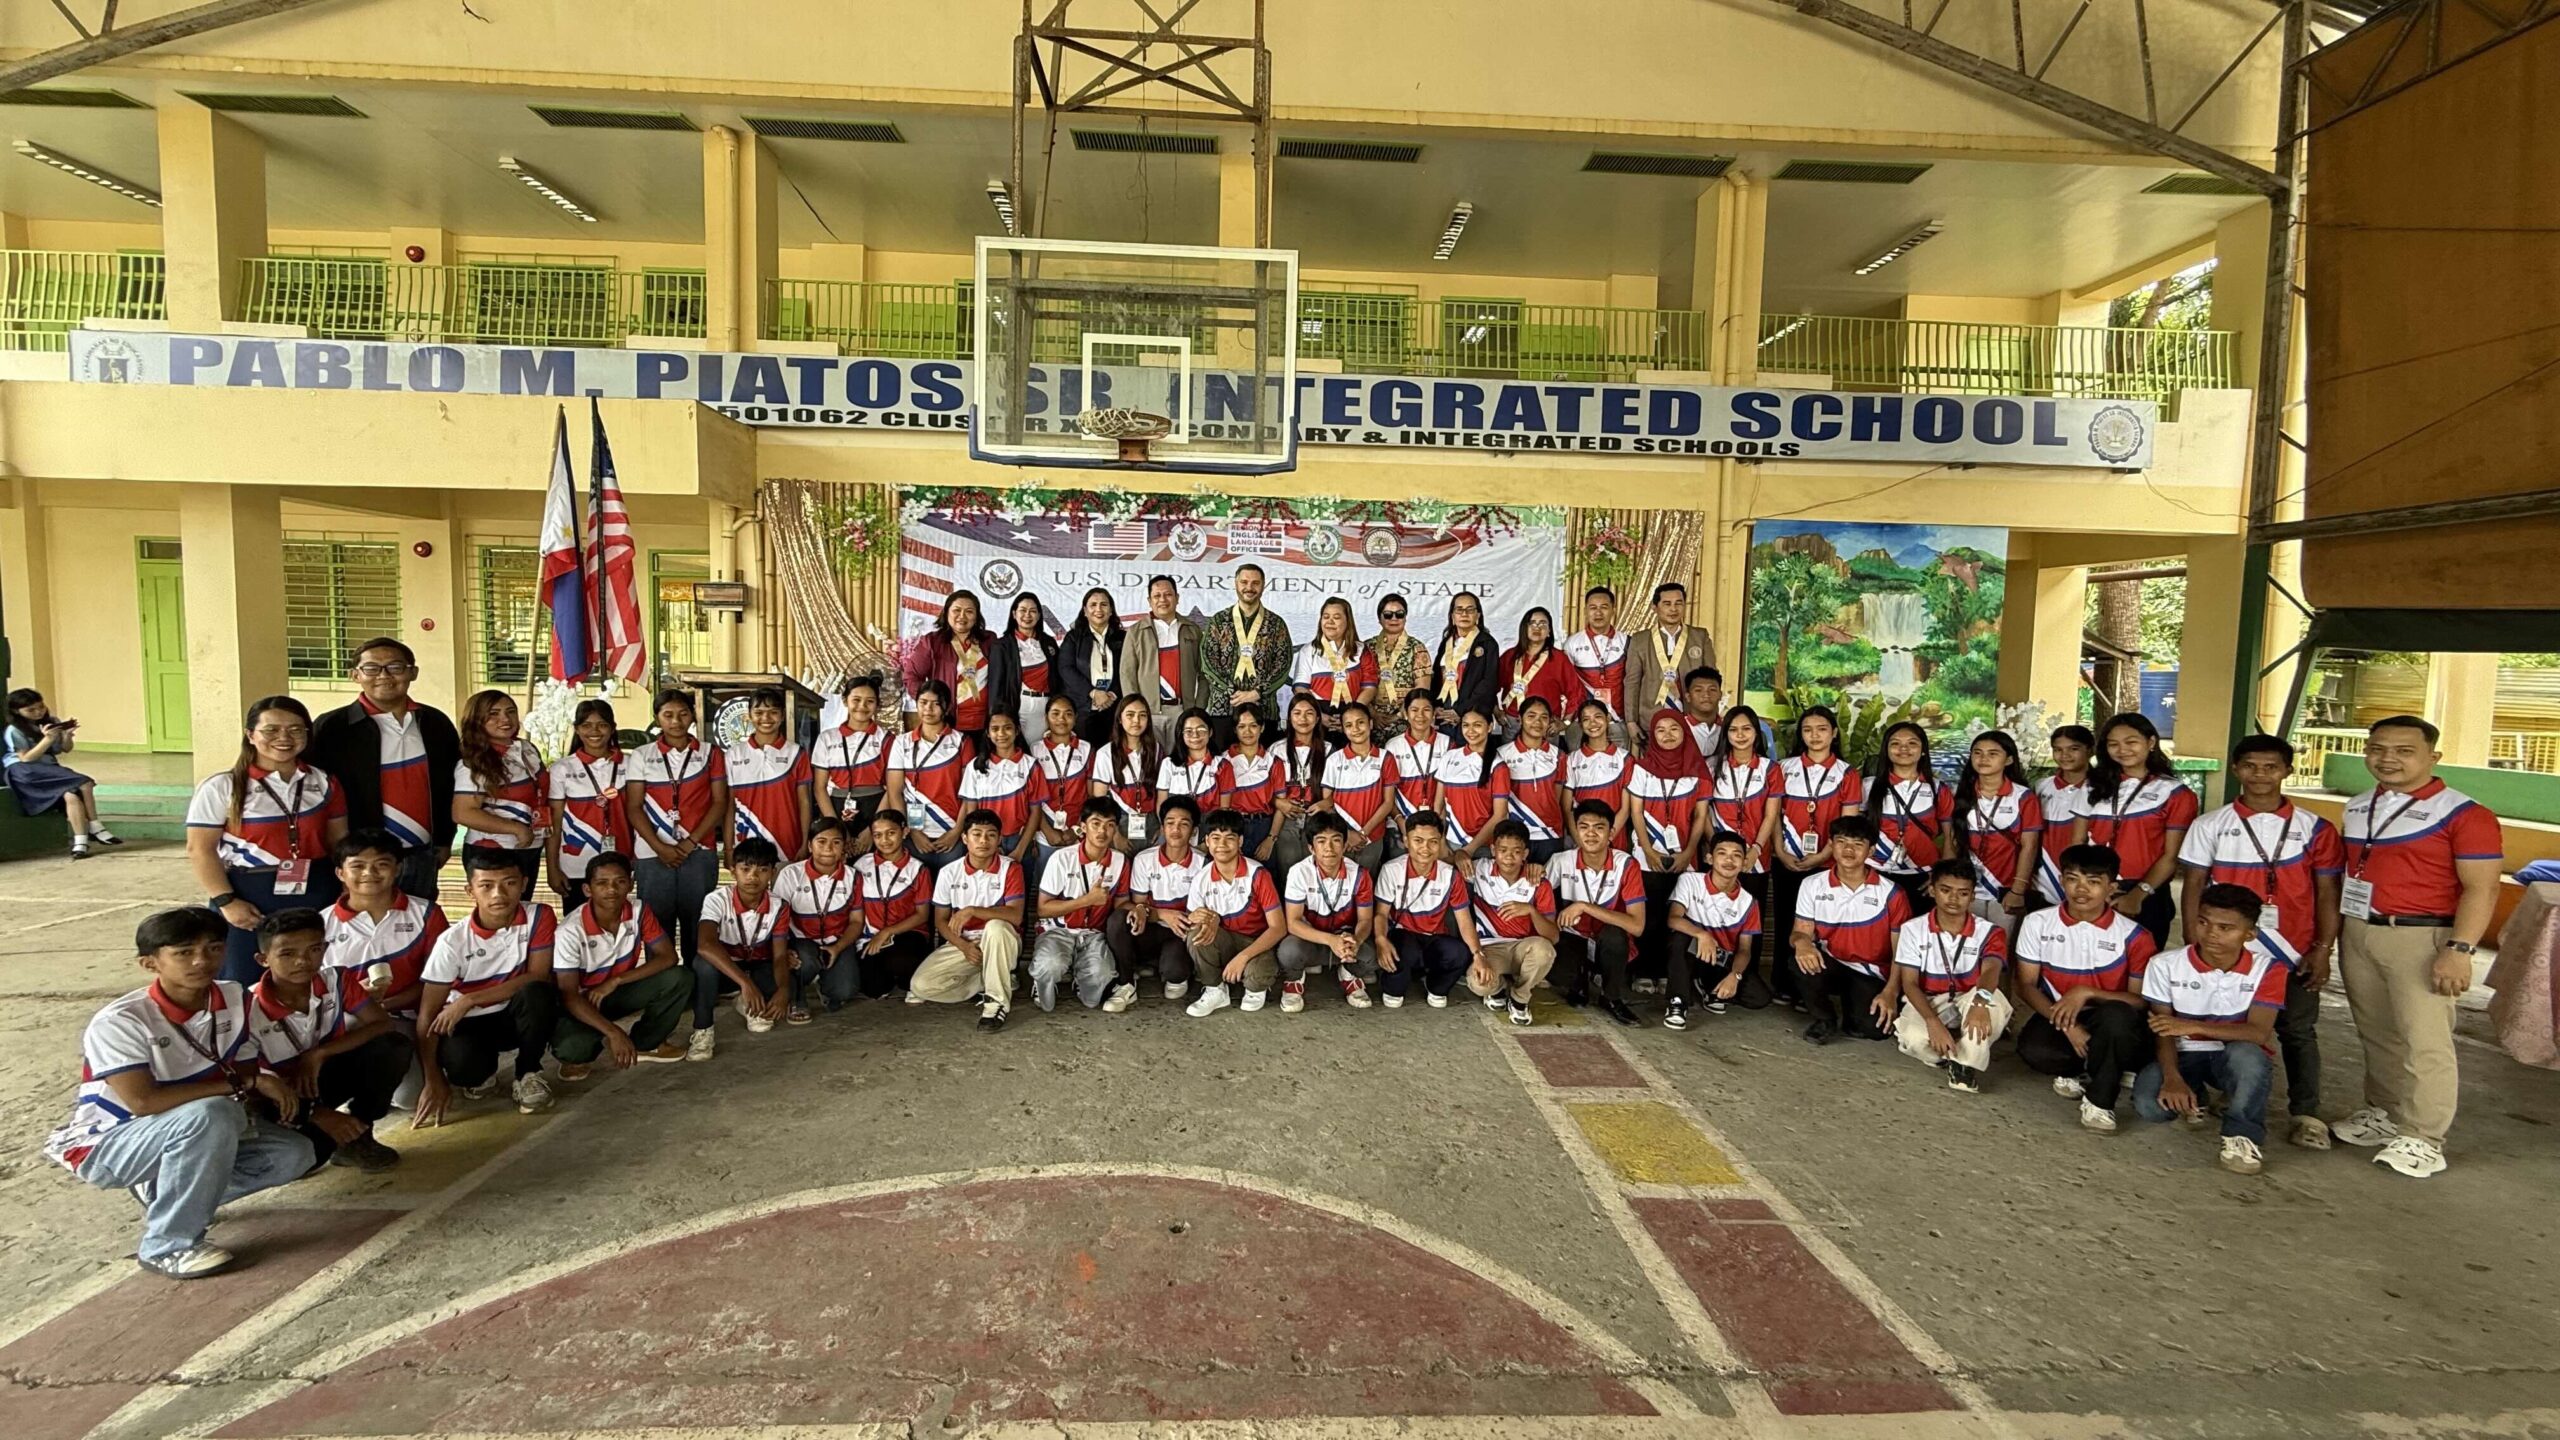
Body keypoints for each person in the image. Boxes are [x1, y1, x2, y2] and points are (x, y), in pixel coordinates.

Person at [45, 908, 316, 1279]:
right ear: (149, 963)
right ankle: (167, 1246)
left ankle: (163, 1191)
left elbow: (248, 1065)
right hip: (110, 1141)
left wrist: (256, 1085)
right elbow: (143, 1102)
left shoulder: (234, 997)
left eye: (213, 948)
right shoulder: (121, 1021)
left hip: (193, 1125)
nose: (201, 961)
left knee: (294, 1155)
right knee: (212, 1113)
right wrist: (246, 1085)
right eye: (184, 952)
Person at [2328, 714, 2503, 1180]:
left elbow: (2482, 889)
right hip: (2360, 929)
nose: (2388, 759)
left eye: (2404, 751)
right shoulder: (2360, 805)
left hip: (2423, 936)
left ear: (2433, 757)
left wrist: (2460, 950)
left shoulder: (2466, 814)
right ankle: (2384, 1112)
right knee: (2376, 1030)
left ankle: (2425, 1138)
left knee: (2425, 1040)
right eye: (2378, 749)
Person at [2177, 733, 2345, 1149]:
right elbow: (2193, 886)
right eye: (2250, 766)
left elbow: (2327, 893)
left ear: (2288, 771)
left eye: (2271, 767)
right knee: (2225, 1024)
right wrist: (2193, 941)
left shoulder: (2315, 829)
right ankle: (2231, 1094)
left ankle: (2306, 1112)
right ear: (2236, 770)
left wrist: (2323, 949)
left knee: (2299, 1031)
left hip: (2294, 951)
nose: (2260, 775)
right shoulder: (2210, 825)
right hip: (2229, 951)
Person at [188, 696, 349, 984]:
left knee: (310, 976)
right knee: (243, 981)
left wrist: (346, 891)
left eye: (296, 730)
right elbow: (200, 850)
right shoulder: (222, 787)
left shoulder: (324, 782)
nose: (284, 738)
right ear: (251, 735)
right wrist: (226, 901)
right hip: (249, 896)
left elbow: (339, 843)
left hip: (316, 889)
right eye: (271, 730)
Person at [2133, 883, 2291, 1176]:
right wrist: (2172, 1078)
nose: (2212, 934)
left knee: (2249, 1057)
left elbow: (2258, 1033)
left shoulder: (2269, 969)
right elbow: (2163, 1029)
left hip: (2230, 1055)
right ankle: (2196, 1094)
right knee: (2150, 1107)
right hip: (2182, 1052)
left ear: (2250, 934)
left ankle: (2241, 1135)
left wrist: (2191, 1025)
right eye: (2204, 922)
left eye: (2225, 928)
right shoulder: (2165, 965)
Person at [2012, 843, 2160, 1133]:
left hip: (2112, 1015)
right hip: (2060, 1013)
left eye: (2093, 882)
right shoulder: (2037, 922)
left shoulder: (2135, 935)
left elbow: (2139, 1001)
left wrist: (2087, 992)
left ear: (2112, 888)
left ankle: (2100, 1102)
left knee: (2117, 1019)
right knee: (2034, 1051)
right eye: (2072, 879)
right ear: (2062, 881)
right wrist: (2067, 1026)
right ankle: (2092, 1066)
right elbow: (2026, 985)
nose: (2081, 889)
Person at [244, 908, 406, 1172]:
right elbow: (253, 1086)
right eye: (287, 954)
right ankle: (312, 1134)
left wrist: (318, 1054)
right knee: (310, 1157)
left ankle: (360, 1133)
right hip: (282, 1096)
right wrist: (315, 1114)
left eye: (314, 949)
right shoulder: (247, 1009)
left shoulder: (337, 980)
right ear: (263, 959)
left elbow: (382, 1023)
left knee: (392, 1047)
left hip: (324, 1075)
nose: (302, 961)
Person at [308, 637, 460, 902]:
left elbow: (451, 785)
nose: (384, 675)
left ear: (413, 672)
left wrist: (445, 839)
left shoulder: (434, 722)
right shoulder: (333, 727)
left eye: (395, 667)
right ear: (355, 675)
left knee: (418, 927)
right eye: (372, 668)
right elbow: (317, 794)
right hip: (362, 859)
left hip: (422, 853)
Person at [415, 848, 559, 1124]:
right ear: (470, 891)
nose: (498, 894)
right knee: (465, 1070)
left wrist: (469, 1000)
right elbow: (428, 1015)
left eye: (509, 883)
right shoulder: (451, 942)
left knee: (538, 993)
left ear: (524, 884)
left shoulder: (539, 915)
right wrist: (432, 1079)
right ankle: (481, 1072)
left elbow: (538, 975)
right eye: (486, 886)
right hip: (469, 1024)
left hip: (513, 1015)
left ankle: (528, 1073)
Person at [548, 851, 691, 1077]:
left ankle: (647, 1042)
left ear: (631, 884)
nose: (612, 890)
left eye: (620, 882)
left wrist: (616, 980)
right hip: (583, 1000)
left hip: (617, 990)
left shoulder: (639, 910)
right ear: (587, 889)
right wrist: (613, 1032)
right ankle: (593, 1041)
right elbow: (569, 995)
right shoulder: (569, 931)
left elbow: (668, 957)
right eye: (602, 883)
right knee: (573, 1050)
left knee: (679, 977)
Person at [624, 689, 730, 987]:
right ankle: (663, 986)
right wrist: (660, 847)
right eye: (668, 715)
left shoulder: (710, 754)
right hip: (651, 853)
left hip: (699, 851)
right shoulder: (642, 756)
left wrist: (688, 843)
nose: (676, 721)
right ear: (657, 718)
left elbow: (719, 803)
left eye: (683, 714)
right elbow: (634, 807)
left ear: (692, 715)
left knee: (698, 920)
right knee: (657, 923)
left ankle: (700, 985)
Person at [1886, 861, 2013, 1093]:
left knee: (1990, 1009)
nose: (1954, 899)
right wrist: (1933, 1022)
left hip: (1971, 994)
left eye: (1963, 893)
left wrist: (1979, 1002)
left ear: (1973, 896)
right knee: (1913, 1039)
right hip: (1931, 997)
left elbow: (1991, 971)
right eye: (1946, 890)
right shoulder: (1913, 929)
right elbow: (1910, 983)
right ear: (1933, 890)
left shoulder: (1991, 931)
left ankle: (1964, 1066)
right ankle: (1949, 1053)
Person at [2071, 713, 2196, 946]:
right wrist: (2085, 886)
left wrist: (2138, 894)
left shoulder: (2174, 792)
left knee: (2139, 970)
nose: (2122, 750)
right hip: (2092, 888)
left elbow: (2171, 856)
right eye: (2113, 744)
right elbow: (2077, 844)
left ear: (2151, 743)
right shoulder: (2092, 785)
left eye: (2131, 742)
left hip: (2147, 893)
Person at [1790, 813, 1911, 1044]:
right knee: (1797, 961)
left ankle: (1854, 1006)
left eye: (1858, 844)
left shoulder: (1892, 893)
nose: (1848, 850)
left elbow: (1901, 952)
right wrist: (1802, 943)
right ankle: (1824, 1019)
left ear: (1871, 851)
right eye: (1842, 842)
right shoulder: (1812, 884)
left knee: (1875, 1031)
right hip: (1831, 963)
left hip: (1871, 971)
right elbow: (1799, 931)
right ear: (1831, 845)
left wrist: (1891, 992)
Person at [322, 828, 447, 1044]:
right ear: (340, 873)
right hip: (345, 1020)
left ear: (397, 869)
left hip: (410, 1019)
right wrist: (358, 1003)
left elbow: (439, 980)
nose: (369, 873)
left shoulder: (427, 914)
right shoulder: (321, 923)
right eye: (358, 866)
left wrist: (383, 1005)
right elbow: (315, 989)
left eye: (381, 864)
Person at [1772, 706, 1860, 1009]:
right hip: (1786, 858)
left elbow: (1847, 826)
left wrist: (1822, 856)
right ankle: (1783, 984)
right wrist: (1780, 850)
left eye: (1822, 729)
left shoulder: (1846, 774)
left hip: (1824, 862)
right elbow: (1774, 815)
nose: (1815, 735)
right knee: (1785, 923)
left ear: (1834, 733)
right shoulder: (1784, 767)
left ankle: (1809, 990)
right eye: (1808, 729)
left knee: (1816, 928)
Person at [914, 809, 1026, 1032]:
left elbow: (1015, 915)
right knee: (921, 986)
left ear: (999, 839)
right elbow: (941, 921)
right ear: (965, 838)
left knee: (995, 927)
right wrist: (964, 947)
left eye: (991, 835)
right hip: (966, 942)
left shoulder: (1010, 868)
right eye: (976, 834)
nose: (983, 841)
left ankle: (996, 1003)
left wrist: (973, 911)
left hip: (1003, 942)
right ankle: (991, 978)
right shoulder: (949, 872)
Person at [1031, 798, 1134, 1014]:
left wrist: (1138, 909)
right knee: (1049, 968)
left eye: (1109, 825)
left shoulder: (1120, 861)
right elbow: (1043, 908)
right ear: (1083, 826)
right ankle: (1041, 982)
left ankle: (1080, 976)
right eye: (1096, 823)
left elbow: (1121, 903)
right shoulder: (1061, 858)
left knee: (1096, 989)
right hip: (1057, 930)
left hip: (1093, 934)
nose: (1102, 831)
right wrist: (1086, 901)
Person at [1181, 808, 1287, 1016]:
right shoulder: (1201, 878)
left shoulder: (1258, 874)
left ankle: (1254, 986)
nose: (1222, 845)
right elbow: (1194, 921)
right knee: (1195, 936)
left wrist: (1243, 957)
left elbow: (1278, 928)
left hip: (1256, 942)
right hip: (1225, 940)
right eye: (1216, 838)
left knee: (1256, 979)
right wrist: (1196, 919)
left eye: (1230, 838)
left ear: (1240, 842)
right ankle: (1215, 989)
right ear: (1207, 842)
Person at [1628, 708, 1709, 975]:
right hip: (1646, 854)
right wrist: (1648, 850)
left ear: (1684, 733)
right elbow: (1636, 812)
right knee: (1648, 916)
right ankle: (1644, 972)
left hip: (1683, 855)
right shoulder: (1641, 769)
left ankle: (1668, 974)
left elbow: (1700, 817)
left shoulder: (1698, 771)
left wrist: (1688, 853)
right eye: (1660, 730)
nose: (1668, 735)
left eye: (1674, 729)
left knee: (1676, 916)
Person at [1373, 812, 1482, 1008]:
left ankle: (1435, 986)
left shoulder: (1450, 875)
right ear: (1406, 841)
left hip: (1434, 938)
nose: (1425, 848)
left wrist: (1478, 955)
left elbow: (1464, 921)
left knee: (1459, 953)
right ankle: (1393, 986)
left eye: (1433, 841)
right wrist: (1381, 939)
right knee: (1403, 955)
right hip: (1403, 937)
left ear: (1441, 842)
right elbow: (1381, 914)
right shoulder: (1391, 870)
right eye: (1418, 841)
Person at [1551, 799, 1646, 1025]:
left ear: (1611, 832)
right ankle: (1578, 982)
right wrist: (1533, 871)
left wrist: (1584, 906)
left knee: (1615, 935)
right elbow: (1536, 896)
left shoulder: (1626, 865)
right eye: (1583, 827)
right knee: (1550, 941)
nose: (1590, 834)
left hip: (1608, 946)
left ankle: (1611, 996)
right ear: (1575, 830)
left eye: (1599, 828)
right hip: (1575, 939)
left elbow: (1637, 926)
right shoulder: (1561, 860)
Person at [696, 836, 792, 1043]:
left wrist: (784, 990)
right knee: (704, 965)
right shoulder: (716, 900)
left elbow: (779, 955)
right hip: (727, 968)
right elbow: (705, 945)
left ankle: (745, 1002)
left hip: (758, 965)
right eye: (745, 869)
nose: (753, 877)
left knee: (783, 973)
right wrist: (746, 983)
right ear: (733, 871)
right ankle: (703, 1029)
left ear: (772, 873)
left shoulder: (780, 906)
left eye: (762, 870)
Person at [1665, 830, 1767, 1024]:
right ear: (1710, 858)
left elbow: (1745, 950)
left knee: (1759, 997)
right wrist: (1702, 935)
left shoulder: (1749, 902)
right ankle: (1678, 1002)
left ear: (1745, 863)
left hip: (1721, 960)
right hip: (1694, 953)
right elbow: (1673, 919)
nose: (1729, 860)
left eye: (1736, 855)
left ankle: (1710, 988)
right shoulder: (1690, 881)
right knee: (1679, 939)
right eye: (1722, 853)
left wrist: (1734, 976)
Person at [1280, 811, 1378, 1011]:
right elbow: (1293, 922)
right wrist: (1330, 941)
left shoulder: (1360, 875)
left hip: (1345, 937)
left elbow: (1366, 920)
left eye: (1336, 840)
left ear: (1344, 845)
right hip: (1312, 939)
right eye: (1321, 841)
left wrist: (1356, 941)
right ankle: (1294, 980)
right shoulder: (1299, 872)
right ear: (1311, 848)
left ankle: (1349, 974)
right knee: (1289, 952)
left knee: (1371, 959)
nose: (1329, 848)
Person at [1112, 796, 1207, 1002]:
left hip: (1180, 933)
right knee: (1119, 919)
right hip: (1151, 927)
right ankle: (1126, 982)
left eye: (1184, 824)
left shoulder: (1202, 864)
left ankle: (1165, 968)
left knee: (1175, 975)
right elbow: (1138, 905)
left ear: (1193, 831)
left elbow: (1201, 913)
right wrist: (1162, 914)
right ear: (1162, 828)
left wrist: (1178, 920)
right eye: (1170, 823)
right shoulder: (1144, 859)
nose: (1176, 829)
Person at [3, 687, 117, 858]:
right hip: (24, 771)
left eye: (40, 707)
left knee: (71, 795)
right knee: (84, 782)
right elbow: (26, 758)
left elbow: (64, 749)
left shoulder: (51, 722)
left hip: (48, 769)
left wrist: (67, 736)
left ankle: (80, 843)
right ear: (16, 711)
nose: (38, 712)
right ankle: (95, 826)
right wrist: (47, 739)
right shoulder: (15, 730)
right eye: (31, 710)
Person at [1466, 820, 1559, 1026]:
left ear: (1525, 853)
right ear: (1493, 850)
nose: (1509, 857)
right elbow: (1452, 861)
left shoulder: (1538, 883)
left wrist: (1531, 911)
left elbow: (1553, 936)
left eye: (1516, 851)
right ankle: (1498, 988)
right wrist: (1460, 854)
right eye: (1503, 850)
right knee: (1478, 983)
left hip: (1522, 948)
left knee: (1545, 950)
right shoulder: (1480, 870)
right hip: (1490, 947)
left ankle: (1520, 997)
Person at [1950, 730, 2043, 928]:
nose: (1983, 758)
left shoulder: (2023, 797)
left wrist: (2018, 890)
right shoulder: (1961, 794)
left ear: (2008, 760)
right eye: (1978, 752)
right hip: (1967, 888)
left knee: (2001, 949)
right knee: (1967, 946)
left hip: (2005, 889)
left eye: (1993, 754)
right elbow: (1954, 842)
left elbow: (2030, 846)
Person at [451, 690, 547, 879]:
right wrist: (516, 828)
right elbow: (463, 812)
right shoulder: (473, 761)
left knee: (522, 906)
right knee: (500, 907)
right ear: (476, 719)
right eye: (493, 714)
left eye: (510, 711)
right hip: (492, 850)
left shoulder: (526, 748)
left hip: (531, 845)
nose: (505, 718)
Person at [546, 699, 630, 914]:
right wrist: (552, 867)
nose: (594, 731)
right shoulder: (562, 769)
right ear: (576, 729)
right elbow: (553, 822)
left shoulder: (630, 763)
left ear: (612, 728)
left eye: (602, 725)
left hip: (620, 859)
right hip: (576, 863)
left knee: (618, 921)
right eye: (586, 725)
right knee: (577, 924)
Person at [1705, 707, 1780, 942]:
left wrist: (1756, 849)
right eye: (1733, 729)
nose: (1740, 735)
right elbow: (1704, 812)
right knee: (1716, 918)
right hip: (1721, 856)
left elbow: (1771, 815)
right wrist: (1714, 847)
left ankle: (1747, 975)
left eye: (1746, 729)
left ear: (1757, 733)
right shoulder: (1712, 766)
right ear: (1725, 734)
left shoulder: (1771, 769)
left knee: (1751, 920)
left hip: (1756, 856)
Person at [776, 817, 865, 1014]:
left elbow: (857, 921)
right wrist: (785, 951)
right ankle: (797, 997)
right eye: (821, 842)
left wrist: (838, 947)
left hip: (837, 940)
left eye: (836, 842)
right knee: (805, 961)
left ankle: (825, 983)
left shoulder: (853, 877)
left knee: (845, 990)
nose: (828, 848)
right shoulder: (790, 875)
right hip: (801, 940)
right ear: (810, 845)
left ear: (844, 847)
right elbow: (777, 922)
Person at [900, 589, 1015, 738]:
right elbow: (911, 676)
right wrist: (931, 703)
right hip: (948, 721)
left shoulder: (989, 641)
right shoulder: (932, 642)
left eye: (969, 611)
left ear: (977, 616)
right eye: (956, 610)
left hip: (986, 724)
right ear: (947, 612)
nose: (962, 616)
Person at [1201, 563, 1293, 747]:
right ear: (1235, 584)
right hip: (1223, 711)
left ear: (1263, 585)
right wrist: (1232, 692)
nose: (1249, 588)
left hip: (1264, 712)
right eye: (1244, 582)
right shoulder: (1218, 621)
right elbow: (1208, 661)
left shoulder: (1276, 624)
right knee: (1223, 768)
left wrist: (1258, 693)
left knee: (1263, 768)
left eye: (1255, 583)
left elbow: (1283, 664)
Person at [849, 808, 935, 998]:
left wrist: (888, 932)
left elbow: (922, 915)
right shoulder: (861, 865)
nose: (885, 840)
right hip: (869, 936)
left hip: (908, 934)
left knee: (903, 965)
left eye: (891, 833)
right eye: (878, 835)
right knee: (873, 989)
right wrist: (875, 936)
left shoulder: (918, 869)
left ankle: (907, 977)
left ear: (904, 832)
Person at [724, 686, 815, 862]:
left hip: (788, 844)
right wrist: (729, 848)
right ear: (749, 715)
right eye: (758, 712)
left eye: (773, 712)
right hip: (746, 844)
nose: (765, 718)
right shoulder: (732, 755)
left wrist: (804, 843)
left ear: (782, 715)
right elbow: (729, 806)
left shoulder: (796, 753)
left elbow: (804, 802)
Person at [1865, 720, 1950, 903]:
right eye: (1895, 743)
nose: (1904, 748)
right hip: (1874, 870)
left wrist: (1940, 876)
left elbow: (1951, 838)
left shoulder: (1938, 789)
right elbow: (1853, 832)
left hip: (1923, 876)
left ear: (1923, 750)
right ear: (1886, 750)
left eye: (1912, 743)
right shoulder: (1868, 786)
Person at [884, 680, 967, 867]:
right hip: (915, 834)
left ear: (946, 707)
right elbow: (894, 791)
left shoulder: (962, 742)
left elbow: (970, 795)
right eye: (923, 702)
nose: (928, 709)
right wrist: (912, 830)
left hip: (951, 833)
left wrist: (957, 832)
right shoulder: (901, 742)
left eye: (935, 703)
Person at [1117, 574, 1207, 747]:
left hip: (1183, 711)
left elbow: (1204, 674)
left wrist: (1198, 708)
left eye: (1168, 595)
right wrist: (1135, 712)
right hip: (1149, 712)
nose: (1162, 600)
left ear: (1177, 598)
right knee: (1150, 762)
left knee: (1178, 763)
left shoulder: (1192, 630)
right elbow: (1127, 673)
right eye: (1157, 596)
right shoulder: (1136, 631)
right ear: (1149, 601)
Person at [1621, 582, 1718, 725]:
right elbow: (1632, 683)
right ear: (1655, 607)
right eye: (1667, 604)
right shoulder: (1640, 640)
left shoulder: (1700, 636)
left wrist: (1711, 716)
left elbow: (1712, 679)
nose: (1673, 609)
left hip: (1693, 718)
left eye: (1678, 603)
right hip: (1650, 719)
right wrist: (1631, 721)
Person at [957, 709, 1044, 866]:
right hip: (985, 840)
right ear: (988, 733)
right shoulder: (976, 766)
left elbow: (1035, 812)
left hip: (1019, 840)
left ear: (1017, 731)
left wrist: (1020, 850)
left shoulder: (1030, 765)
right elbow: (972, 812)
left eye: (1007, 727)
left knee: (1018, 888)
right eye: (995, 729)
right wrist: (988, 844)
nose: (1001, 733)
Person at [1321, 702, 1397, 869]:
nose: (1355, 728)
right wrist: (1347, 834)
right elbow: (1327, 803)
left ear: (1370, 723)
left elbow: (1388, 803)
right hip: (1341, 838)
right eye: (1348, 725)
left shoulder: (1386, 758)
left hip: (1372, 837)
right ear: (1343, 728)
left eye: (1360, 722)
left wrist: (1363, 834)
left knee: (1367, 886)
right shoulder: (1334, 759)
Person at [1493, 697, 1570, 863]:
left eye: (1544, 717)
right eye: (1531, 716)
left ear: (1551, 721)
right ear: (1520, 719)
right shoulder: (1501, 754)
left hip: (1550, 835)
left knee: (1547, 887)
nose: (1537, 722)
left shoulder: (1559, 756)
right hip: (1514, 836)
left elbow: (1556, 799)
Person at [811, 675, 892, 831]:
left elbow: (893, 788)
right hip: (834, 807)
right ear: (844, 701)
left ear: (877, 705)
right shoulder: (826, 738)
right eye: (856, 700)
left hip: (877, 807)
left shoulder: (886, 738)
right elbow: (819, 788)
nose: (862, 706)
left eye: (870, 701)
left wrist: (873, 829)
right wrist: (835, 827)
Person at [1029, 694, 1096, 870]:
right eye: (1055, 714)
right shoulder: (1034, 751)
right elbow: (1031, 799)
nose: (1061, 719)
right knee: (1046, 885)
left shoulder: (1087, 749)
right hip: (1045, 831)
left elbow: (1091, 796)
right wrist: (1047, 831)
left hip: (1078, 830)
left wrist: (1076, 830)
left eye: (1068, 714)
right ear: (1046, 718)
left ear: (1075, 718)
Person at [1054, 587, 1128, 746]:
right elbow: (1065, 668)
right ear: (1085, 611)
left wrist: (1112, 694)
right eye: (1093, 605)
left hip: (1113, 708)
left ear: (1111, 610)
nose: (1098, 609)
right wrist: (1094, 693)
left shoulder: (1123, 637)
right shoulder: (1074, 637)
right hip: (1083, 709)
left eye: (1104, 604)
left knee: (1110, 757)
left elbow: (1128, 668)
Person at [1293, 595, 1376, 735]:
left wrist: (1351, 716)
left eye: (1336, 617)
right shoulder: (1308, 651)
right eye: (1325, 617)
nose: (1330, 622)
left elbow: (1370, 687)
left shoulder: (1362, 650)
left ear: (1348, 621)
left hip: (1353, 715)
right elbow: (1301, 688)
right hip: (1319, 713)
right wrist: (1318, 715)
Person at [2033, 725, 2096, 906]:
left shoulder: (2103, 789)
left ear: (2090, 750)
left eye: (2073, 749)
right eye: (2058, 750)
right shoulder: (2041, 786)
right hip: (2043, 880)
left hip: (2084, 876)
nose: (2064, 755)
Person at [1434, 705, 1504, 865]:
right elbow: (1439, 807)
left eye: (1477, 725)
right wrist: (1442, 843)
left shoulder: (1498, 765)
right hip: (1451, 843)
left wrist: (1468, 850)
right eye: (1466, 725)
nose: (1471, 731)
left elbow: (1500, 815)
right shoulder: (1449, 757)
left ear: (1490, 727)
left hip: (1483, 846)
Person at [1270, 694, 1330, 871]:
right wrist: (1279, 802)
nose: (1303, 719)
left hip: (1318, 820)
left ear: (1318, 718)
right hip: (1286, 819)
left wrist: (1326, 803)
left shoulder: (1329, 750)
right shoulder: (1276, 749)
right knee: (1286, 870)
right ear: (1289, 717)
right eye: (1297, 713)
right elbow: (1265, 789)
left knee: (1315, 870)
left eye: (1309, 713)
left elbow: (1338, 791)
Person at [1497, 607, 1580, 734]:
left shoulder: (1559, 659)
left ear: (1549, 631)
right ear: (1524, 628)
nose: (1537, 627)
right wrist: (1496, 711)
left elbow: (1576, 693)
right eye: (1532, 623)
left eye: (1543, 623)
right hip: (1513, 723)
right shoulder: (1509, 657)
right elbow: (1489, 686)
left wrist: (1566, 722)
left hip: (1546, 725)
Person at [1561, 586, 1628, 743]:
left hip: (1617, 720)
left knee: (1618, 766)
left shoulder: (1627, 642)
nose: (1598, 613)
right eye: (1593, 608)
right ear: (1585, 611)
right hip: (1581, 721)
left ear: (1613, 610)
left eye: (1604, 607)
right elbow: (1568, 687)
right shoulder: (1572, 643)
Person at [1563, 699, 1632, 851]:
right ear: (1580, 725)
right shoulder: (1571, 759)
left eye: (1598, 717)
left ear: (1608, 719)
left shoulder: (1625, 758)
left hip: (1615, 838)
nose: (1592, 723)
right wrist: (1582, 841)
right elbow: (1567, 809)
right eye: (1586, 719)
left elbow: (1626, 809)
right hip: (1582, 839)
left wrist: (1607, 836)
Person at [1428, 591, 1501, 733]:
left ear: (1478, 615)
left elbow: (1488, 683)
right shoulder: (1446, 643)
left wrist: (1461, 711)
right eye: (1459, 609)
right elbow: (1436, 677)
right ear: (1452, 616)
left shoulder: (1487, 644)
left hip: (1472, 717)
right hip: (1445, 715)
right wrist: (1436, 706)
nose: (1464, 614)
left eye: (1470, 609)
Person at [1222, 704, 1284, 863]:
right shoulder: (1223, 760)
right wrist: (1229, 835)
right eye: (1241, 726)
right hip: (1234, 825)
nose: (1247, 732)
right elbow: (1222, 805)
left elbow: (1281, 806)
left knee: (1266, 879)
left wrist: (1271, 839)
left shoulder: (1273, 761)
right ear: (1235, 729)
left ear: (1262, 728)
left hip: (1264, 826)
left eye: (1253, 726)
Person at [1003, 592, 1062, 741]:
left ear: (1039, 615)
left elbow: (1058, 676)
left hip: (1048, 707)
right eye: (1023, 610)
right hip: (1021, 707)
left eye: (1033, 611)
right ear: (1014, 614)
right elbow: (997, 685)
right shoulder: (1002, 645)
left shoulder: (1049, 642)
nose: (1027, 615)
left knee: (1045, 751)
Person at [1157, 707, 1230, 816]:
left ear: (1210, 732)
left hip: (1210, 826)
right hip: (1178, 826)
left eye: (1201, 730)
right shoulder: (1168, 763)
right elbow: (1162, 804)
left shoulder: (1222, 765)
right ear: (1181, 734)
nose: (1195, 735)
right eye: (1188, 731)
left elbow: (1224, 809)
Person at [1366, 591, 1430, 714]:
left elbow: (1422, 688)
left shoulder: (1417, 647)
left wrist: (1402, 714)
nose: (1394, 618)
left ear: (1405, 618)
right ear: (1379, 618)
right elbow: (1358, 685)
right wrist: (1371, 713)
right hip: (1370, 718)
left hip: (1407, 716)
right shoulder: (1367, 647)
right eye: (1388, 615)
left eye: (1399, 614)